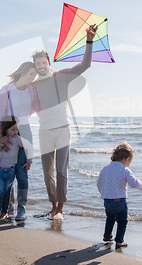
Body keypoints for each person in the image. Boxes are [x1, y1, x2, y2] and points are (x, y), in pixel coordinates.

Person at [32, 24, 97, 220]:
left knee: (61, 171)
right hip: (44, 131)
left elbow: (85, 65)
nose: (41, 66)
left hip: (62, 129)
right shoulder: (33, 85)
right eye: (38, 64)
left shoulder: (61, 77)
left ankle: (60, 208)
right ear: (35, 67)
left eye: (44, 63)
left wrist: (89, 40)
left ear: (48, 62)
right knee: (47, 173)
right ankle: (53, 206)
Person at [0, 61, 39, 221]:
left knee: (22, 172)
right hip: (9, 129)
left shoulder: (32, 90)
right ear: (23, 72)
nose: (33, 77)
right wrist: (2, 135)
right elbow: (0, 113)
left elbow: (35, 108)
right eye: (31, 74)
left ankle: (22, 208)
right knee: (8, 169)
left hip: (25, 130)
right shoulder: (6, 90)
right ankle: (8, 208)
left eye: (34, 75)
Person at [96, 142, 142, 248]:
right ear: (127, 159)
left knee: (110, 218)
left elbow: (99, 183)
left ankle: (107, 236)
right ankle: (119, 241)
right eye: (130, 162)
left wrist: (104, 193)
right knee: (122, 221)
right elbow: (134, 184)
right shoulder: (124, 169)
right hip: (119, 201)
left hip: (107, 201)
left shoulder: (105, 169)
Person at [0, 116, 34, 221]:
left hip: (10, 170)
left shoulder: (18, 139)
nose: (16, 132)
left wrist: (29, 160)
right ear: (6, 129)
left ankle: (4, 213)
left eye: (17, 129)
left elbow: (30, 147)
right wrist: (0, 142)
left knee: (7, 191)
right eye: (13, 129)